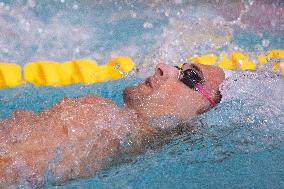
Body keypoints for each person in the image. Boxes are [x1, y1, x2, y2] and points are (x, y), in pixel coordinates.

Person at [0, 63, 225, 187]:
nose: (163, 67)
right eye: (178, 66)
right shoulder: (109, 126)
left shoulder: (98, 117)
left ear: (196, 112)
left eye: (189, 76)